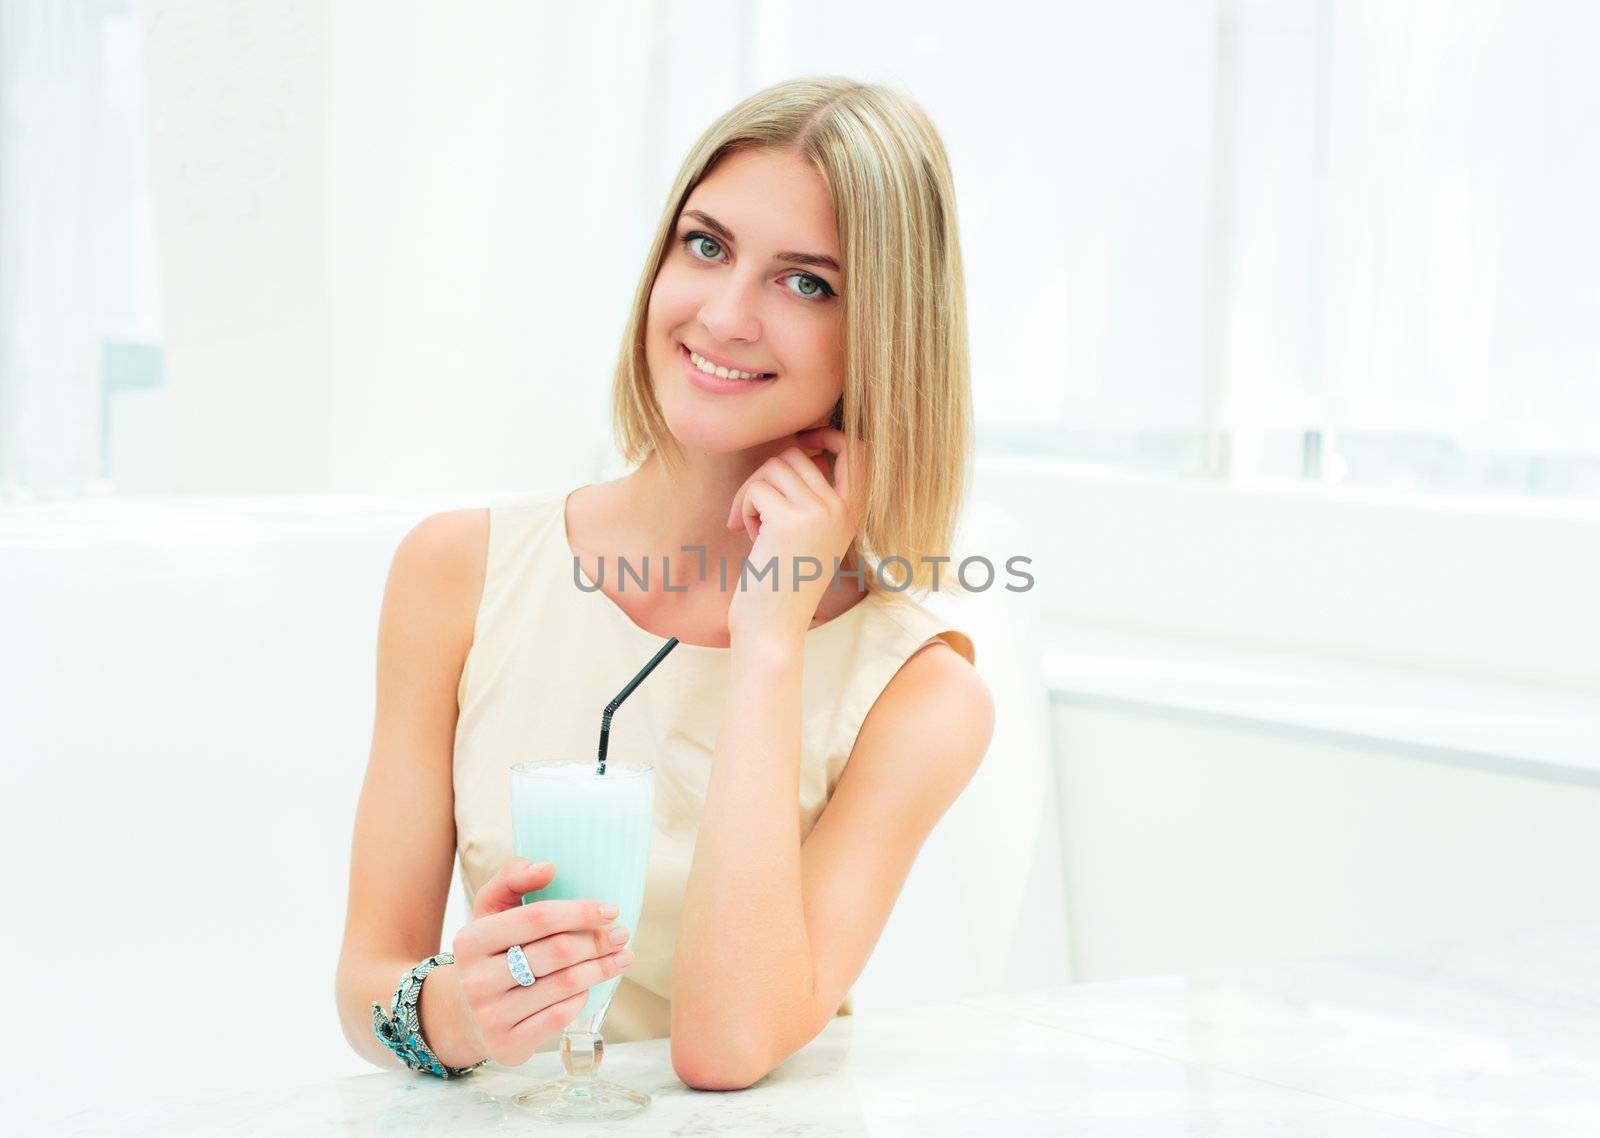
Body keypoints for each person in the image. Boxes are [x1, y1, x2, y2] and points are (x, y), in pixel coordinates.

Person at [335, 74, 994, 1093]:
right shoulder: (456, 573)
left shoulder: (920, 694)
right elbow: (367, 986)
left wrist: (770, 635)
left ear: (884, 337)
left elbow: (727, 1046)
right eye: (707, 245)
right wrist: (454, 1011)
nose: (724, 315)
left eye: (806, 281)